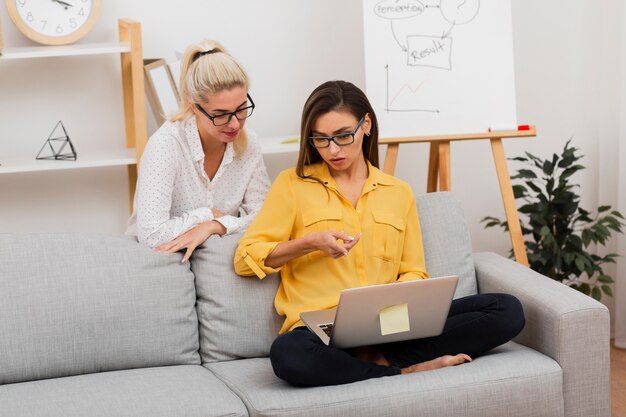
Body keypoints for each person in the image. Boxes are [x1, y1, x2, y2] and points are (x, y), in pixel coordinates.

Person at [234, 80, 525, 387]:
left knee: (507, 310)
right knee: (288, 354)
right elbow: (245, 257)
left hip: (392, 327)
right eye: (320, 139)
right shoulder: (292, 184)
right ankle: (401, 372)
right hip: (324, 334)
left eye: (343, 136)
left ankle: (372, 362)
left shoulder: (398, 192)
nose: (332, 149)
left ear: (366, 125)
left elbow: (413, 271)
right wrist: (308, 243)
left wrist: (398, 309)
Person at [127, 40, 270, 262]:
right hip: (162, 261)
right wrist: (207, 214)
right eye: (221, 114)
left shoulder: (248, 143)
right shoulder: (166, 145)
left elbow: (267, 218)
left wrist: (214, 226)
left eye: (241, 109)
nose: (234, 124)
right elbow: (152, 235)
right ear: (194, 107)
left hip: (217, 258)